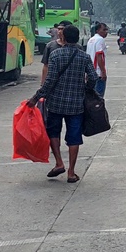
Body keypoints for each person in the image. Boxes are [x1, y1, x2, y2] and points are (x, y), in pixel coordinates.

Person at [28, 25, 97, 184]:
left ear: (63, 38)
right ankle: (71, 173)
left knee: (53, 132)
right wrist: (85, 89)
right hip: (76, 105)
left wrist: (36, 97)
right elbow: (93, 77)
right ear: (78, 38)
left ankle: (59, 163)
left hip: (56, 103)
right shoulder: (83, 57)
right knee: (74, 137)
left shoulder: (56, 55)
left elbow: (50, 81)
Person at [38, 20, 72, 84]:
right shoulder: (50, 46)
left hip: (70, 83)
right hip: (53, 83)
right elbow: (46, 66)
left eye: (62, 29)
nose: (59, 32)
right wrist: (43, 83)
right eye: (58, 29)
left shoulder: (76, 47)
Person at [86, 22, 108, 97]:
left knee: (92, 97)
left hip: (91, 72)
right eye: (104, 30)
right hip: (98, 73)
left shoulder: (91, 40)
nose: (106, 32)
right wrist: (103, 72)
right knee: (99, 97)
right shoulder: (100, 39)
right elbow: (99, 56)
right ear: (97, 30)